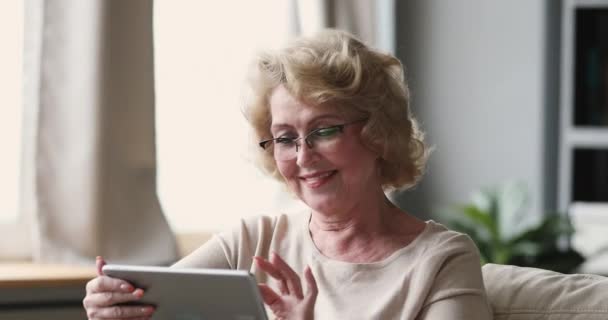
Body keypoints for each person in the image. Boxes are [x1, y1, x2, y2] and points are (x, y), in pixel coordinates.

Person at [83, 29, 492, 320]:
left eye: (324, 130)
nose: (303, 156)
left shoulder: (442, 261)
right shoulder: (252, 241)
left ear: (377, 133)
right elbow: (152, 302)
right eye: (284, 138)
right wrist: (114, 302)